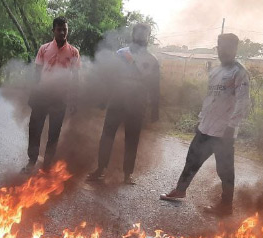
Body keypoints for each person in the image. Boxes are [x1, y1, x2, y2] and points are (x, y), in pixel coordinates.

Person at [159, 33, 251, 216]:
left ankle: (226, 206)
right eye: (219, 47)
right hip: (206, 127)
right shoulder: (216, 71)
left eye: (225, 47)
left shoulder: (239, 72)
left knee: (224, 170)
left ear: (234, 49)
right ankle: (180, 190)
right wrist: (201, 119)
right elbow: (210, 99)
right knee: (192, 159)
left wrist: (232, 125)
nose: (221, 51)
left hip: (224, 131)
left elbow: (243, 102)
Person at [87, 23, 160, 185]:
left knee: (132, 139)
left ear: (149, 37)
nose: (141, 36)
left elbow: (155, 87)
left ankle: (128, 174)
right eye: (139, 33)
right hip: (117, 101)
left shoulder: (152, 60)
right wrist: (103, 98)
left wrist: (155, 109)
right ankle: (100, 169)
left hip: (137, 105)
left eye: (145, 34)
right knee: (107, 135)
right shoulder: (121, 54)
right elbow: (110, 78)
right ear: (133, 35)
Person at [22, 16, 81, 173]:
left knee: (54, 132)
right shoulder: (44, 48)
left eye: (65, 29)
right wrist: (33, 94)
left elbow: (75, 78)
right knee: (35, 129)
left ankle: (47, 165)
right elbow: (37, 73)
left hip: (60, 98)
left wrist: (74, 101)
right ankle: (31, 161)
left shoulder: (74, 52)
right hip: (42, 95)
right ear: (53, 30)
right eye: (59, 29)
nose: (62, 32)